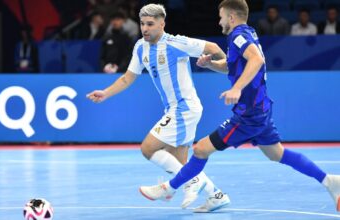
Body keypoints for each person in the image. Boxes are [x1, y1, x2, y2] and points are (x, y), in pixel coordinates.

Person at [139, 0, 340, 213]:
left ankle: (169, 188)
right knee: (276, 154)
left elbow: (256, 59)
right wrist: (210, 64)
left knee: (200, 149)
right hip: (261, 109)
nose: (219, 22)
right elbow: (231, 66)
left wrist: (237, 89)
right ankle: (330, 181)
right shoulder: (247, 33)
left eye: (221, 17)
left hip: (248, 114)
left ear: (231, 17)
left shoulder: (238, 36)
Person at [87, 3, 230, 210]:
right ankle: (216, 195)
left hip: (184, 108)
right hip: (177, 109)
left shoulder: (175, 43)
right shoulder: (140, 47)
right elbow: (128, 78)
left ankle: (192, 183)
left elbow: (214, 48)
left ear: (162, 24)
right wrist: (106, 93)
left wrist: (227, 67)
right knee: (179, 162)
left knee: (148, 148)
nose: (145, 28)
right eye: (142, 23)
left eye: (150, 24)